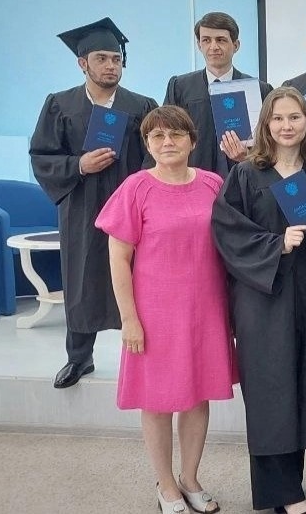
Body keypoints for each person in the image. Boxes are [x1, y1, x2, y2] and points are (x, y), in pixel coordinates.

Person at [95, 105, 237, 514]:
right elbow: (118, 259)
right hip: (154, 314)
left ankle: (190, 478)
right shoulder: (136, 188)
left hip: (206, 310)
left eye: (176, 134)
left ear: (193, 140)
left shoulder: (212, 183)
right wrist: (129, 319)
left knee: (197, 396)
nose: (167, 142)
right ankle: (166, 484)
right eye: (157, 136)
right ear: (147, 144)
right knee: (157, 401)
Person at [211, 87, 306, 514]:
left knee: (299, 385)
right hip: (262, 297)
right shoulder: (247, 174)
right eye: (278, 118)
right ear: (266, 125)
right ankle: (286, 494)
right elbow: (226, 231)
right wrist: (276, 244)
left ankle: (287, 486)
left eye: (295, 117)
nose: (287, 126)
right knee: (270, 388)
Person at [29, 17, 158, 389]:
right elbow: (41, 155)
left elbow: (154, 155)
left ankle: (146, 355)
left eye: (116, 59)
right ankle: (79, 358)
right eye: (101, 59)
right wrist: (78, 165)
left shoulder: (141, 105)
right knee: (81, 278)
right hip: (81, 204)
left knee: (138, 276)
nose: (110, 66)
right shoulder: (60, 104)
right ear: (82, 63)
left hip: (129, 204)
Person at [162, 12, 272, 176]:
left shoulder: (259, 90)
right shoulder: (180, 87)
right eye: (206, 40)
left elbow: (271, 144)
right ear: (199, 45)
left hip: (243, 178)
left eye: (221, 40)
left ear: (236, 45)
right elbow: (167, 135)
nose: (213, 47)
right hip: (192, 177)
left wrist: (249, 156)